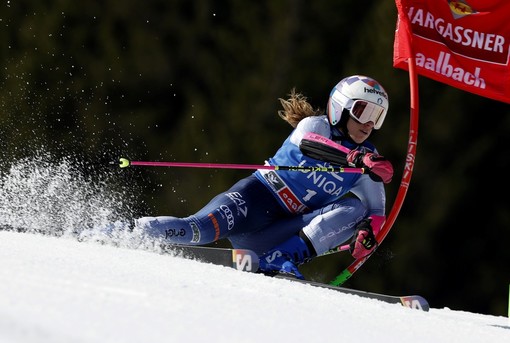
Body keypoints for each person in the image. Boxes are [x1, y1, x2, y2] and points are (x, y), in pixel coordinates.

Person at [136, 75, 393, 279]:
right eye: (364, 112)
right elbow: (311, 145)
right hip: (254, 201)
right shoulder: (317, 126)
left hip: (282, 229)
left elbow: (376, 212)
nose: (369, 123)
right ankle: (128, 232)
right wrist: (356, 159)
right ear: (341, 107)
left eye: (377, 117)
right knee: (198, 230)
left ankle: (279, 259)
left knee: (355, 209)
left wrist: (367, 233)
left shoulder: (368, 158)